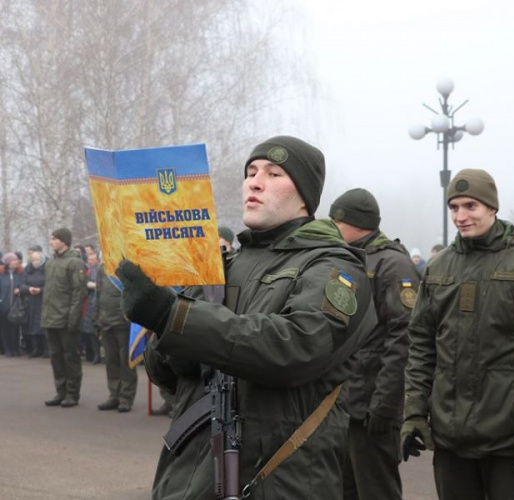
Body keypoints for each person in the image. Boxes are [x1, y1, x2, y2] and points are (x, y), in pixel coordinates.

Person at [118, 135, 376, 499]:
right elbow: (167, 377)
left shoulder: (333, 267)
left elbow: (297, 346)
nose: (255, 181)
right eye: (251, 172)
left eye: (274, 174)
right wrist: (162, 324)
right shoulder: (221, 267)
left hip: (278, 480)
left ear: (304, 194)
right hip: (191, 475)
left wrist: (173, 316)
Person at [402, 168, 514, 500]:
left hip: (507, 436)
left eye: (471, 206)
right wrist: (414, 413)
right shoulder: (439, 267)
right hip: (449, 436)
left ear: (492, 207)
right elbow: (422, 345)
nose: (461, 216)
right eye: (454, 208)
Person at [329, 188, 419, 500]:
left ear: (354, 222)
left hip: (372, 407)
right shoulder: (348, 257)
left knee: (375, 491)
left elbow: (403, 339)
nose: (332, 227)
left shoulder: (393, 265)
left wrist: (384, 404)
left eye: (336, 220)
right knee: (342, 490)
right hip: (344, 405)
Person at [41, 228, 87, 408]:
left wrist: (73, 319)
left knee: (70, 358)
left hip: (66, 319)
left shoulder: (75, 263)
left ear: (64, 241)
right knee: (56, 357)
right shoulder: (51, 263)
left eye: (54, 238)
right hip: (51, 318)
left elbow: (79, 293)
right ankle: (60, 392)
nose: (51, 241)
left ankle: (72, 393)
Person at [94, 262, 137, 413]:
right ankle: (114, 395)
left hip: (123, 321)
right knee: (111, 361)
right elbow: (98, 294)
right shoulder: (102, 267)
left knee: (126, 362)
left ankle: (126, 397)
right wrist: (96, 317)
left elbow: (134, 292)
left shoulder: (126, 266)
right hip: (105, 320)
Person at [0, 253, 25, 357]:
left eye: (17, 260)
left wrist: (20, 290)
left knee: (16, 329)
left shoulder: (21, 274)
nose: (16, 262)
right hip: (4, 306)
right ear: (8, 262)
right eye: (13, 260)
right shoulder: (1, 275)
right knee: (5, 329)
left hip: (17, 306)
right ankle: (8, 349)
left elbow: (25, 285)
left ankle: (16, 349)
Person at [20, 250, 47, 358]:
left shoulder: (46, 270)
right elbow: (22, 285)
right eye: (33, 260)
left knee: (42, 325)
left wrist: (40, 290)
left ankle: (45, 348)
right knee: (32, 326)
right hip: (30, 301)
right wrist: (29, 289)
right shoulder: (27, 270)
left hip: (42, 301)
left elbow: (50, 286)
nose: (35, 262)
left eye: (37, 260)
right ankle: (35, 349)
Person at [81, 252, 102, 364]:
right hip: (89, 303)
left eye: (92, 259)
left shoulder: (99, 270)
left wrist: (94, 285)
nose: (90, 261)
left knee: (96, 331)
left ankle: (99, 355)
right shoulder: (87, 271)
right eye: (89, 259)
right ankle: (94, 354)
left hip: (97, 302)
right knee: (89, 331)